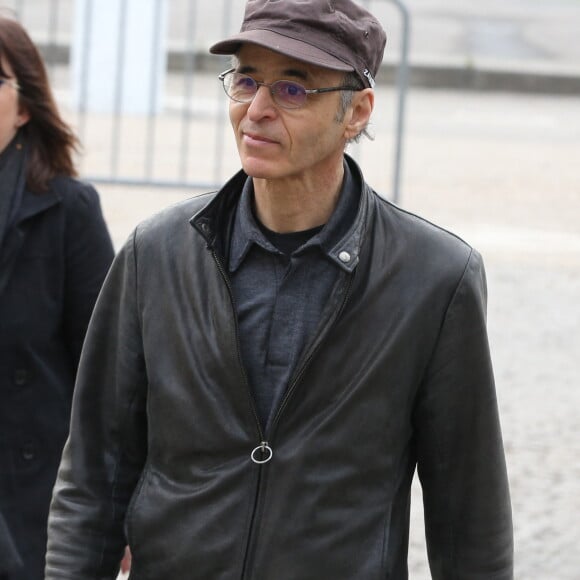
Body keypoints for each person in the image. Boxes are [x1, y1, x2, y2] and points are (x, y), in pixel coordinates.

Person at [45, 0, 514, 578]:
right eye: (247, 79)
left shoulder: (436, 278)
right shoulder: (156, 254)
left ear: (357, 112)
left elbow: (469, 523)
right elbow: (94, 478)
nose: (257, 110)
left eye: (294, 88)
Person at [0, 15, 115, 580]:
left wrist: (119, 510)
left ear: (24, 107)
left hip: (31, 499)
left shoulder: (69, 211)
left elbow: (113, 377)